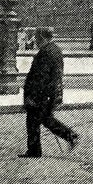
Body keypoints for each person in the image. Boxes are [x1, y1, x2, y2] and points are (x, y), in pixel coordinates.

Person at [20, 25, 78, 156]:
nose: (35, 41)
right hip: (50, 93)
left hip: (42, 95)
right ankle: (69, 136)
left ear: (42, 38)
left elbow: (40, 78)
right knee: (45, 119)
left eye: (37, 38)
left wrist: (33, 96)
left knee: (34, 121)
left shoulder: (46, 52)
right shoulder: (55, 49)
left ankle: (35, 150)